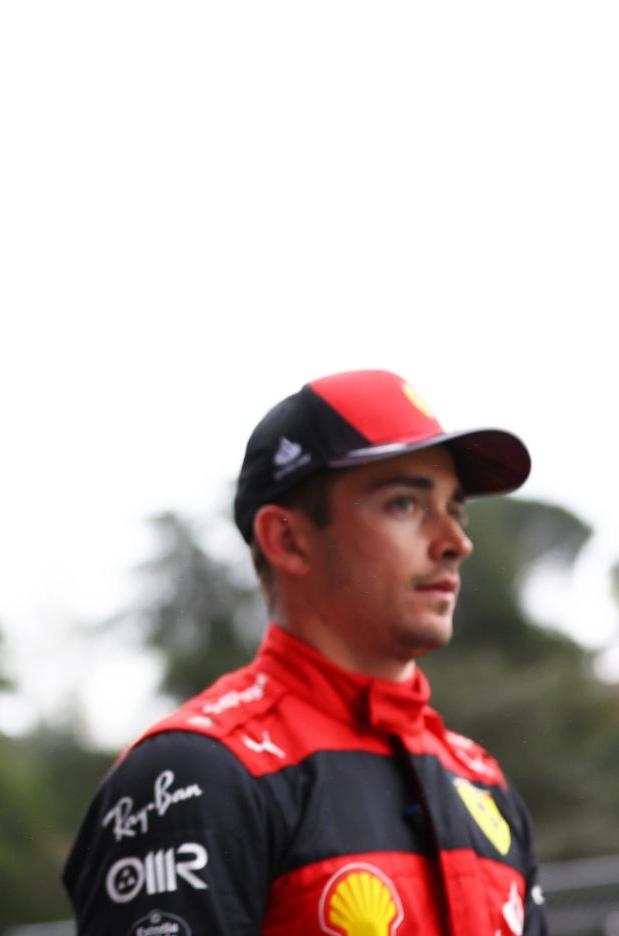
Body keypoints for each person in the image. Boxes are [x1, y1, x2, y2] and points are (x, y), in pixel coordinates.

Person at [62, 369, 547, 935]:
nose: (455, 541)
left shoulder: (480, 780)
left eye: (454, 509)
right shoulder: (194, 774)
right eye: (405, 504)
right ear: (288, 540)